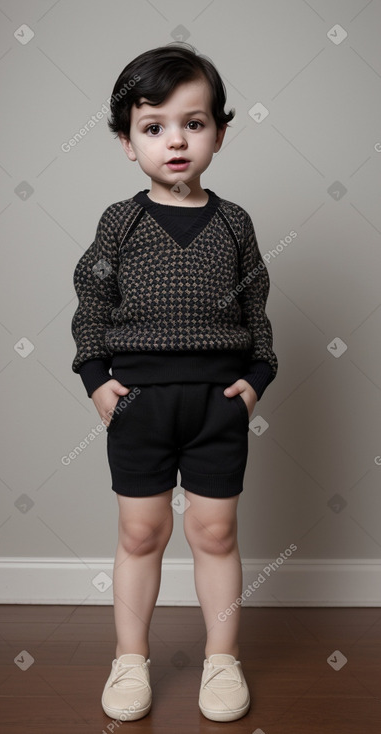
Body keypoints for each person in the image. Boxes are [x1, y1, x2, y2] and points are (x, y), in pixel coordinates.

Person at [71, 42, 278, 724]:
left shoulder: (234, 223)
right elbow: (92, 309)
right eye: (152, 126)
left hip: (216, 404)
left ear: (219, 131)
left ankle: (222, 660)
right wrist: (98, 381)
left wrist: (254, 379)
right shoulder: (119, 222)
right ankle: (130, 659)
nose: (175, 140)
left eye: (193, 122)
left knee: (215, 533)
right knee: (140, 533)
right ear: (128, 143)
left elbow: (257, 313)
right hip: (140, 404)